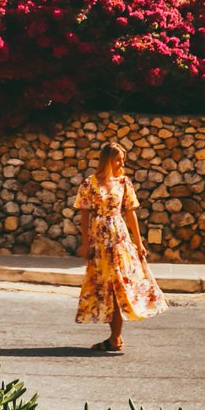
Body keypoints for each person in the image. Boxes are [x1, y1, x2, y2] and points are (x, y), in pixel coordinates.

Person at [74, 141, 168, 353]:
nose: (122, 163)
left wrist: (139, 242)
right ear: (107, 159)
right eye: (118, 159)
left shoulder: (124, 182)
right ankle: (114, 338)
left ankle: (115, 337)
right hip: (99, 242)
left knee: (119, 286)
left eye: (122, 159)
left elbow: (130, 212)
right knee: (107, 288)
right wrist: (86, 243)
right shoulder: (89, 183)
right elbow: (84, 214)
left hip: (119, 240)